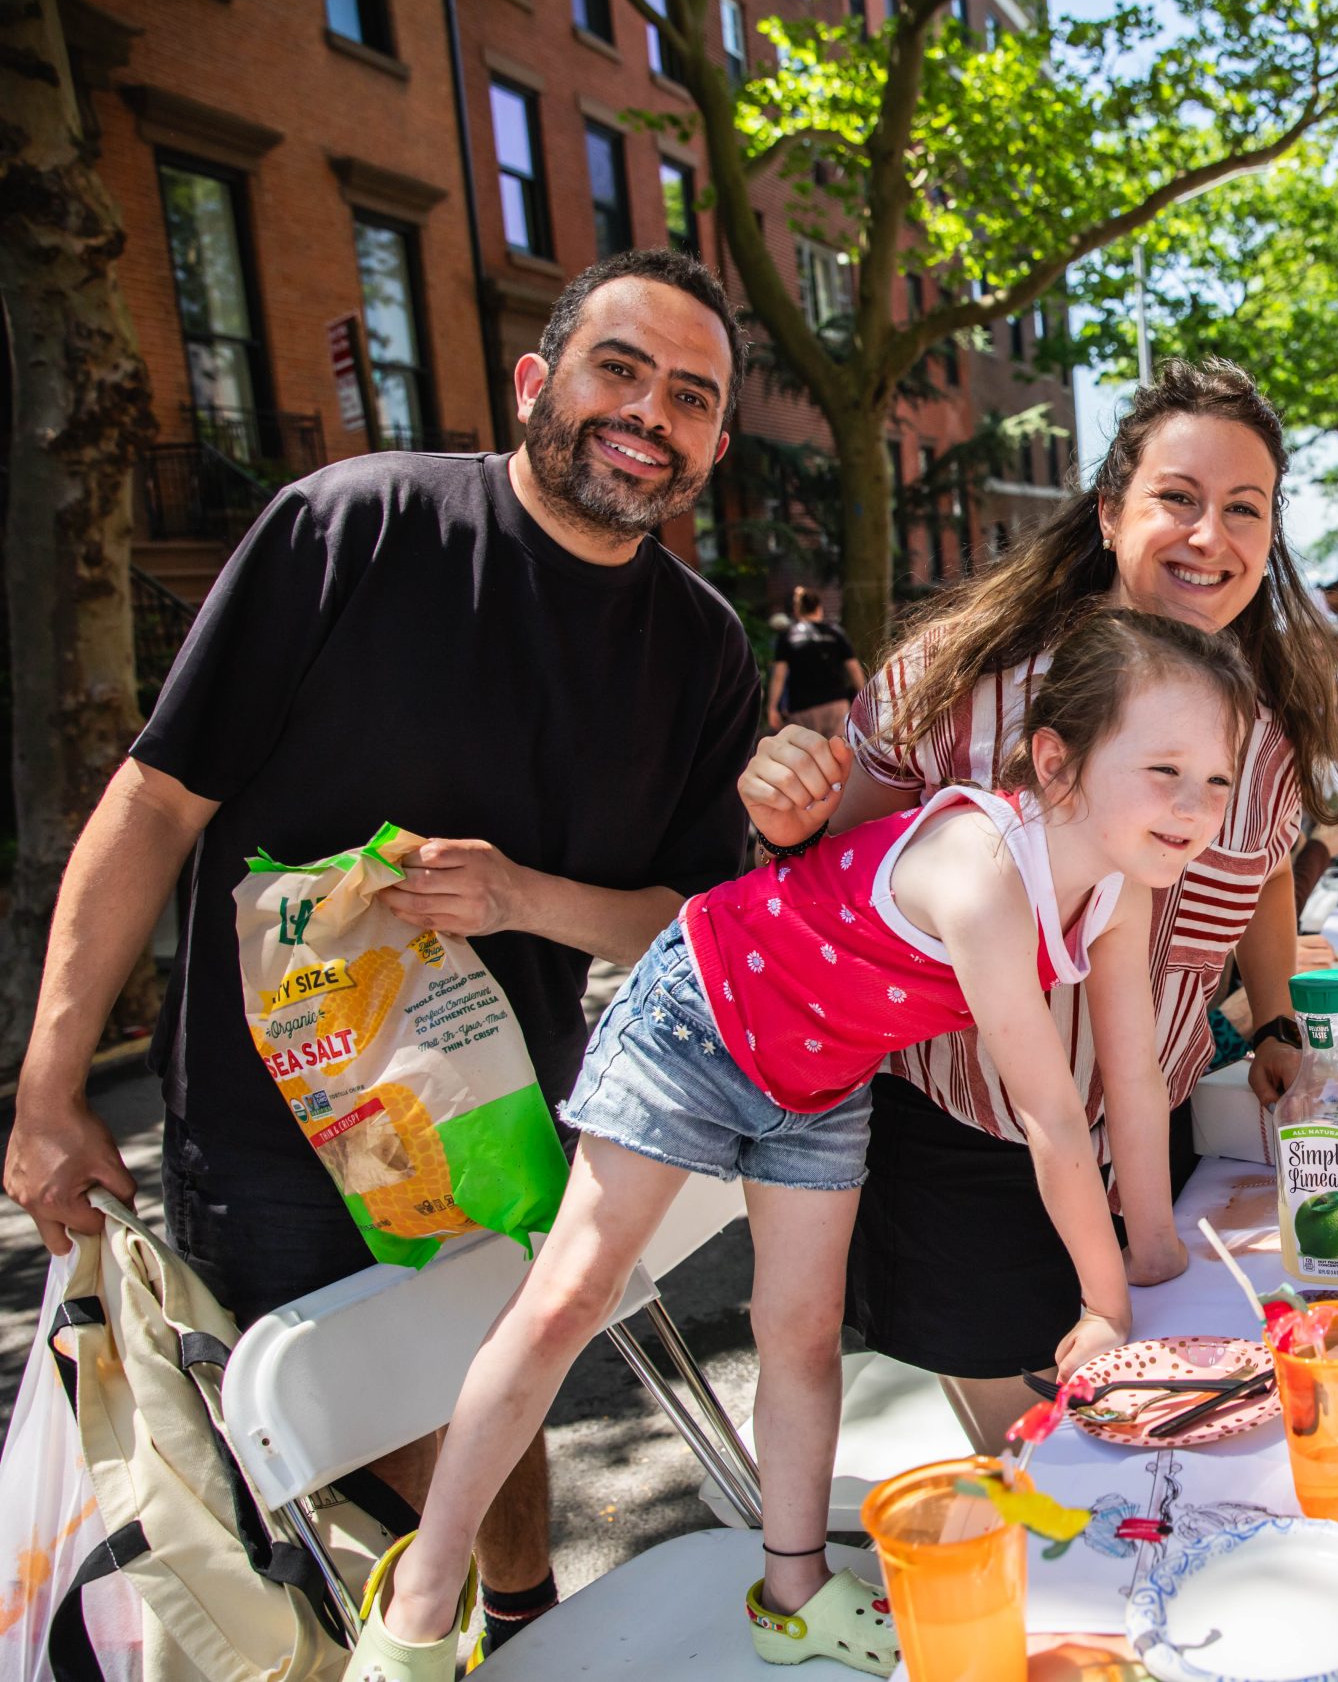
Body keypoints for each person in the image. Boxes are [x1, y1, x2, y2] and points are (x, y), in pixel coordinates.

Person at [3, 248, 761, 1648]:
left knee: (498, 1401)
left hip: (500, 1115)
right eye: (622, 367)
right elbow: (156, 797)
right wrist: (49, 1091)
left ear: (714, 443)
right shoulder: (351, 525)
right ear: (539, 380)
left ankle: (525, 1623)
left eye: (693, 396)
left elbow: (694, 922)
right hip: (270, 1128)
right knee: (336, 1462)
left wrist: (522, 892)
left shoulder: (705, 649)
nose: (651, 411)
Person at [347, 611, 1255, 1681]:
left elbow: (1135, 1074)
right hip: (700, 1014)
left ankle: (793, 1595)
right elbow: (1053, 1121)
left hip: (822, 1072)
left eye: (1217, 778)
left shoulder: (1120, 881)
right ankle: (414, 1608)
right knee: (565, 1300)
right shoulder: (984, 876)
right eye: (1166, 771)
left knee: (802, 1331)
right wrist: (1104, 1306)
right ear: (1058, 762)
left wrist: (1151, 1252)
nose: (1197, 809)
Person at [735, 359, 1338, 1452]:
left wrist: (1272, 1020)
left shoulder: (1271, 716)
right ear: (1111, 510)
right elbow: (837, 871)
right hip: (962, 1150)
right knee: (1047, 1472)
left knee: (1175, 1448)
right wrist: (785, 817)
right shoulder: (957, 676)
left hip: (1152, 1137)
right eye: (1177, 498)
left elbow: (1258, 872)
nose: (1209, 535)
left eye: (1243, 510)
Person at [767, 585, 865, 733]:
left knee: (806, 754)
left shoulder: (788, 636)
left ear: (797, 609)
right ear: (819, 608)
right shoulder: (835, 633)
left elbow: (779, 676)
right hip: (837, 705)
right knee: (839, 753)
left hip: (803, 708)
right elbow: (854, 668)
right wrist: (863, 698)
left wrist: (772, 707)